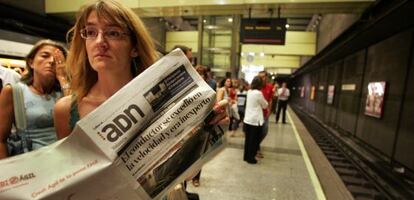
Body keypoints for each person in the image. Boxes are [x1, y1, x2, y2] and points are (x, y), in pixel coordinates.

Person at [53, 0, 227, 198]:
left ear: (134, 47)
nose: (100, 41)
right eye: (91, 32)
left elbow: (188, 174)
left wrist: (209, 129)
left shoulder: (165, 103)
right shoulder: (66, 110)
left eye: (113, 33)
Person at [0, 39, 68, 159]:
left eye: (57, 59)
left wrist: (63, 77)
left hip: (64, 160)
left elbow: (76, 120)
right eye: (45, 56)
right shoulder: (14, 91)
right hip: (31, 163)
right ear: (31, 62)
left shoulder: (64, 91)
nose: (51, 61)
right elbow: (1, 140)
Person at [243, 76, 268, 164]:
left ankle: (246, 156)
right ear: (260, 84)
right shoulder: (258, 93)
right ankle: (251, 158)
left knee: (248, 140)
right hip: (255, 120)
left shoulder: (249, 92)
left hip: (248, 119)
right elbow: (265, 105)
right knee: (254, 140)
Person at [257, 71, 273, 158]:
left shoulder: (270, 87)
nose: (262, 79)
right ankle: (257, 149)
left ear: (266, 77)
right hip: (257, 114)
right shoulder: (256, 87)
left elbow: (270, 100)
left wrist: (269, 110)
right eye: (260, 77)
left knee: (265, 131)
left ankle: (255, 145)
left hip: (265, 113)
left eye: (263, 77)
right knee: (257, 132)